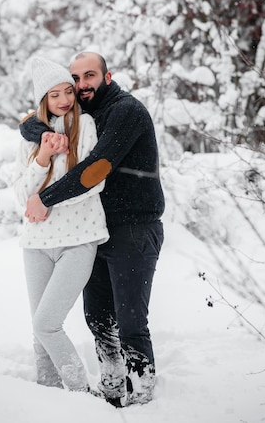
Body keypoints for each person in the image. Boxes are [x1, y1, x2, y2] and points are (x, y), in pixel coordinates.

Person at [21, 51, 165, 407]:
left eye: (90, 76)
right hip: (98, 230)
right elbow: (29, 121)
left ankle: (143, 393)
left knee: (130, 319)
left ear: (108, 76)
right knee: (98, 316)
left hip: (135, 226)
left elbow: (96, 169)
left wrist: (45, 198)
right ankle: (114, 388)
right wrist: (41, 134)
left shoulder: (125, 111)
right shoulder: (87, 111)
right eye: (76, 78)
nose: (82, 84)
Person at [13, 57, 109, 393]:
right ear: (43, 100)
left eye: (68, 91)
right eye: (54, 95)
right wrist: (42, 157)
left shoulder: (86, 127)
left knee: (46, 324)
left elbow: (90, 182)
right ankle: (48, 395)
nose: (64, 100)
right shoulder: (31, 136)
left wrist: (45, 201)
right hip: (37, 244)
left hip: (78, 240)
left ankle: (80, 393)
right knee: (39, 329)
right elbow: (21, 193)